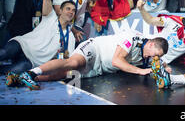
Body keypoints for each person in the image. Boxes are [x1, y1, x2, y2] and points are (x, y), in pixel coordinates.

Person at [8, 30, 169, 90]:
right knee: (74, 63)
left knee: (65, 74)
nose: (151, 57)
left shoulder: (149, 53)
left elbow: (157, 65)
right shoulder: (133, 38)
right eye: (153, 53)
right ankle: (31, 71)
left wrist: (164, 67)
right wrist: (141, 71)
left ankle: (21, 78)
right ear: (151, 42)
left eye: (157, 56)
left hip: (99, 69)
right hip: (95, 49)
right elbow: (117, 61)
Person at [2, 0, 76, 78]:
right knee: (4, 53)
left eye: (73, 10)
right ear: (60, 10)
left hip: (33, 61)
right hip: (23, 44)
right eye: (68, 9)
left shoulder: (70, 37)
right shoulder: (50, 17)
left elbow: (68, 61)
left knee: (10, 71)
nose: (71, 12)